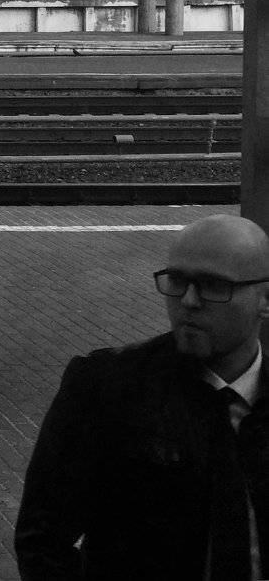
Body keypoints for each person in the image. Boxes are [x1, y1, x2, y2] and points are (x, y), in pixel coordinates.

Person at [15, 214, 269, 580]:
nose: (189, 300)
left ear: (265, 299)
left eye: (214, 286)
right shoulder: (107, 388)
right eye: (177, 280)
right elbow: (43, 540)